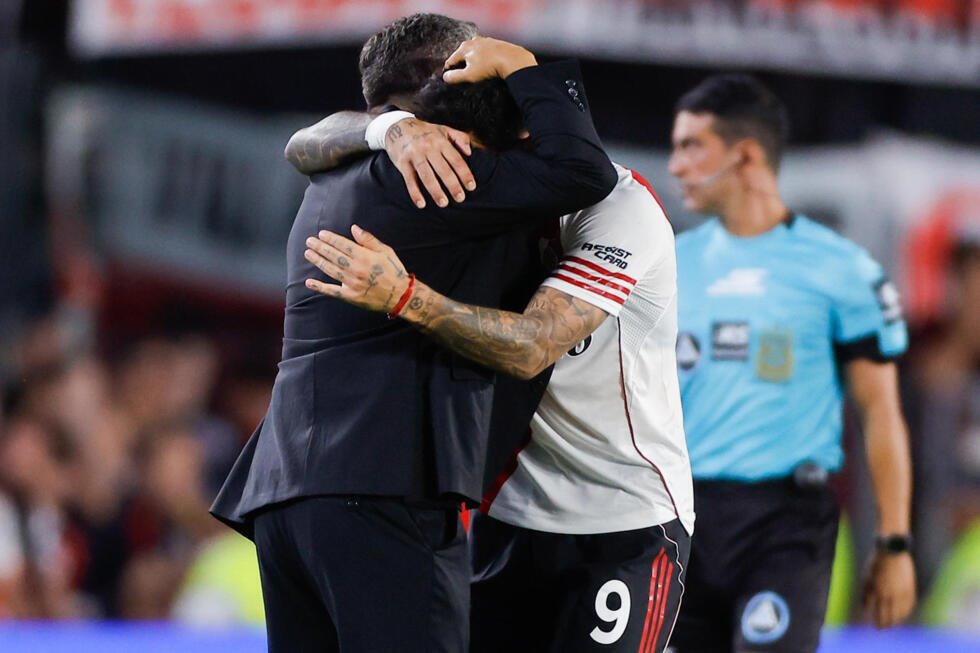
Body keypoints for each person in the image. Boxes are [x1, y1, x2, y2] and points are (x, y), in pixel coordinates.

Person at [210, 14, 617, 653]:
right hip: (384, 487)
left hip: (287, 494)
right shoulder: (444, 169)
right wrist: (523, 66)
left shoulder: (334, 178)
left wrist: (386, 126)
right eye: (470, 56)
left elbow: (305, 142)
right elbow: (586, 173)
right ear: (442, 78)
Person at [298, 93, 693, 653]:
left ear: (524, 140)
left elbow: (533, 346)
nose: (460, 161)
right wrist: (390, 129)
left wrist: (406, 297)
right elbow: (304, 145)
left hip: (622, 521)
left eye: (471, 146)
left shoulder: (619, 207)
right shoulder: (483, 203)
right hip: (508, 516)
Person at [665, 74, 915, 652]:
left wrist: (894, 541)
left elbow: (880, 413)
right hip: (678, 518)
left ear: (745, 155)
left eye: (692, 146)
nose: (676, 166)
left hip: (784, 524)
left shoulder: (842, 270)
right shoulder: (668, 263)